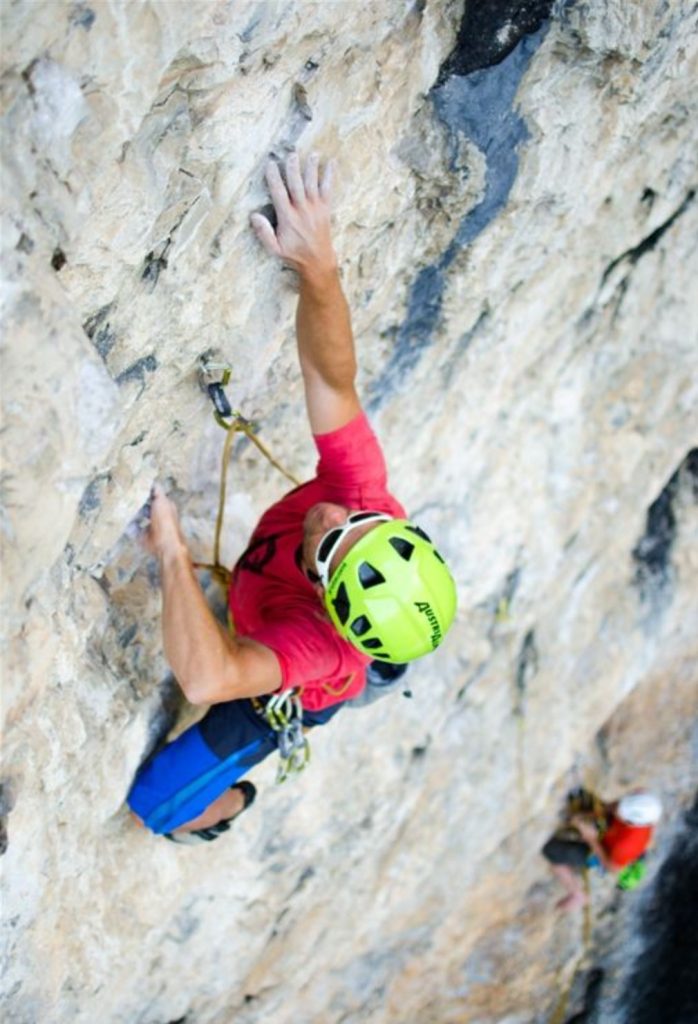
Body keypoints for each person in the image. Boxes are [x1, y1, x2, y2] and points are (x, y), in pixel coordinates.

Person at [127, 153, 457, 844]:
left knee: (159, 809)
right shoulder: (360, 494)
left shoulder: (316, 648)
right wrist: (319, 266)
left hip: (313, 686)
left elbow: (208, 678)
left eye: (334, 541)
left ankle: (235, 804)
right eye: (363, 523)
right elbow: (333, 381)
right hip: (360, 624)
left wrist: (173, 555)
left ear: (327, 596)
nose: (337, 515)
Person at [541, 790, 663, 910]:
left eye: (621, 811)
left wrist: (591, 839)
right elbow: (616, 806)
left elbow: (612, 867)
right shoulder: (643, 805)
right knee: (579, 795)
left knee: (551, 850)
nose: (618, 809)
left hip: (606, 854)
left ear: (630, 822)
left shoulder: (626, 846)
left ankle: (577, 894)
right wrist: (586, 816)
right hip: (613, 834)